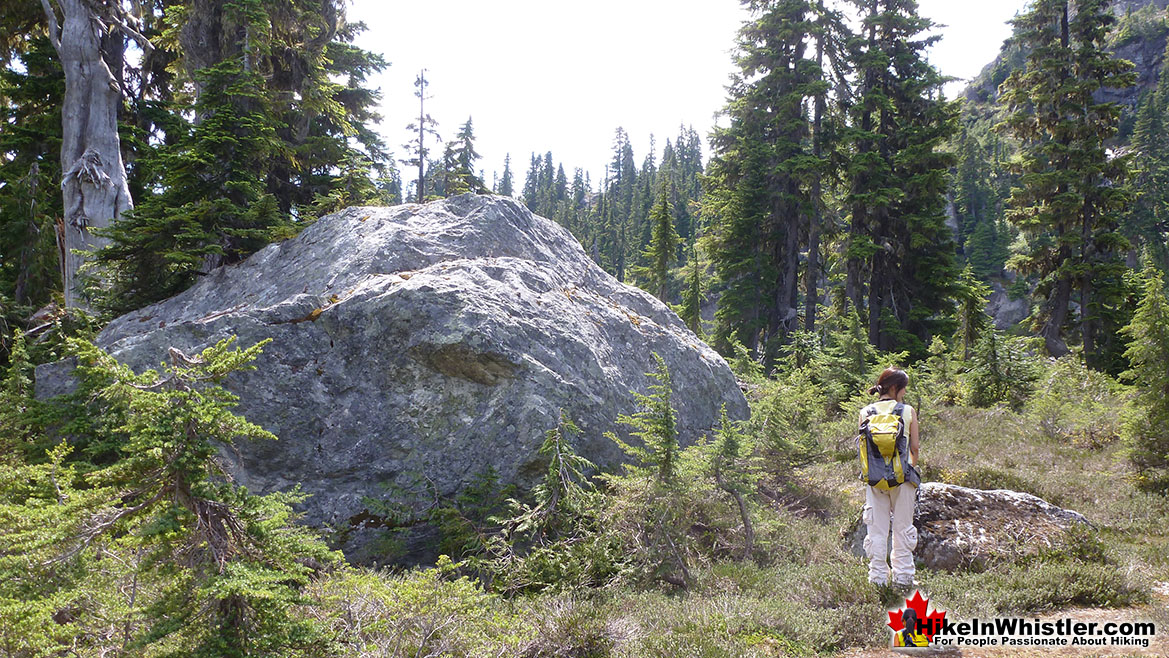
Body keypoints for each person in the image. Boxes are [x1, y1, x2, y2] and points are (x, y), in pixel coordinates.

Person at [858, 367, 920, 589]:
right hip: (902, 479)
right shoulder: (908, 411)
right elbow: (914, 449)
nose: (904, 393)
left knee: (876, 530)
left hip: (874, 480)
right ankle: (903, 579)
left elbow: (862, 449)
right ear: (895, 388)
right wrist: (906, 471)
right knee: (903, 528)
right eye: (903, 389)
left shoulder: (865, 412)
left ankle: (878, 580)